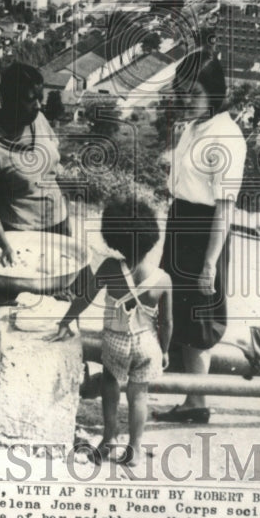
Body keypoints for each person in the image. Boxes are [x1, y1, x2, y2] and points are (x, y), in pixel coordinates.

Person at [155, 48, 260, 425]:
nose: (185, 99)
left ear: (213, 93)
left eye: (194, 92)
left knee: (199, 323)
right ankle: (191, 398)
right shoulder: (193, 126)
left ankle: (196, 402)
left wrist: (208, 264)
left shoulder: (226, 137)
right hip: (181, 224)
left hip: (204, 232)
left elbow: (224, 208)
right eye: (182, 90)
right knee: (179, 316)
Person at [49, 198, 172, 468]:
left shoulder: (109, 268)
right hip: (148, 343)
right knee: (140, 394)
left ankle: (108, 439)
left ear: (114, 238)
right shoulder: (163, 279)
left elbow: (85, 297)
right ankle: (136, 450)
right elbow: (167, 323)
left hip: (116, 341)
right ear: (152, 238)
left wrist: (66, 320)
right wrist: (163, 350)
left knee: (109, 382)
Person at [0, 62, 71, 309]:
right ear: (9, 99)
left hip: (57, 228)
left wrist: (65, 219)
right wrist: (5, 245)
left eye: (40, 97)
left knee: (54, 308)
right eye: (30, 99)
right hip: (16, 236)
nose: (38, 105)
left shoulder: (39, 120)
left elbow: (53, 166)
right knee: (7, 310)